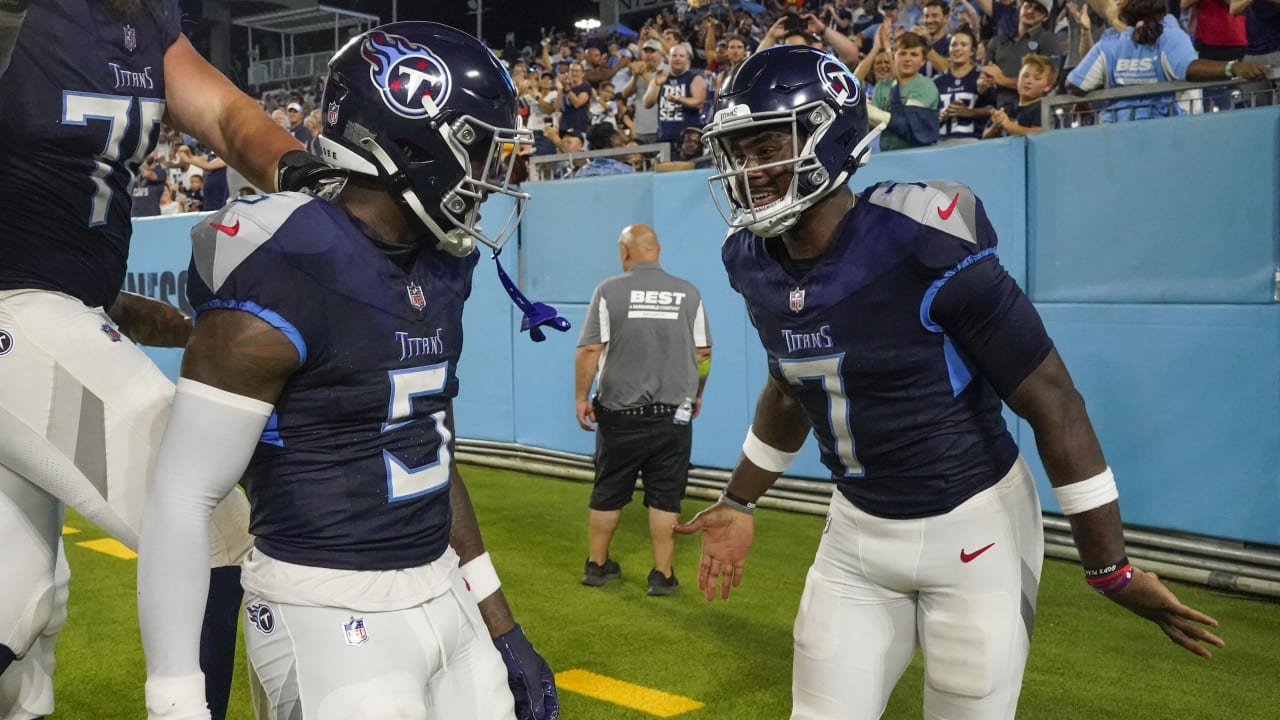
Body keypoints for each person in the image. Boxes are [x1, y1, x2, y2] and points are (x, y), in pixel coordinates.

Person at [678, 44, 1225, 719]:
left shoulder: (923, 240)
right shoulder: (750, 260)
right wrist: (740, 500)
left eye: (767, 146)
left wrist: (1108, 567)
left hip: (975, 530)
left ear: (832, 137)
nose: (749, 171)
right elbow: (791, 387)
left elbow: (1052, 399)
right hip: (855, 534)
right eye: (738, 152)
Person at [135, 22, 560, 720]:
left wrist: (498, 619)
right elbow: (183, 498)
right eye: (477, 149)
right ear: (411, 146)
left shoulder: (442, 264)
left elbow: (431, 449)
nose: (490, 175)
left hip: (441, 589)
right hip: (325, 605)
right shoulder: (288, 262)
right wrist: (176, 699)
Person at [0, 2, 336, 718]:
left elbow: (227, 118)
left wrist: (318, 185)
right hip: (16, 317)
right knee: (208, 523)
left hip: (48, 316)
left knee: (17, 610)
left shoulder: (146, 22)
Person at [574, 224, 712, 596]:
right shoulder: (689, 293)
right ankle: (662, 575)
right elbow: (703, 354)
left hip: (619, 415)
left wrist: (580, 397)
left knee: (607, 489)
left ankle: (598, 566)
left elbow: (589, 350)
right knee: (666, 494)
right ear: (658, 250)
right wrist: (696, 393)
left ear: (625, 252)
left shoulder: (608, 291)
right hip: (675, 414)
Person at [1066, 0, 1270, 120]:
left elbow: (1076, 84)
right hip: (1168, 128)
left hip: (1119, 129)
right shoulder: (1169, 35)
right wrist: (1232, 68)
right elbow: (1189, 68)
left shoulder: (1110, 43)